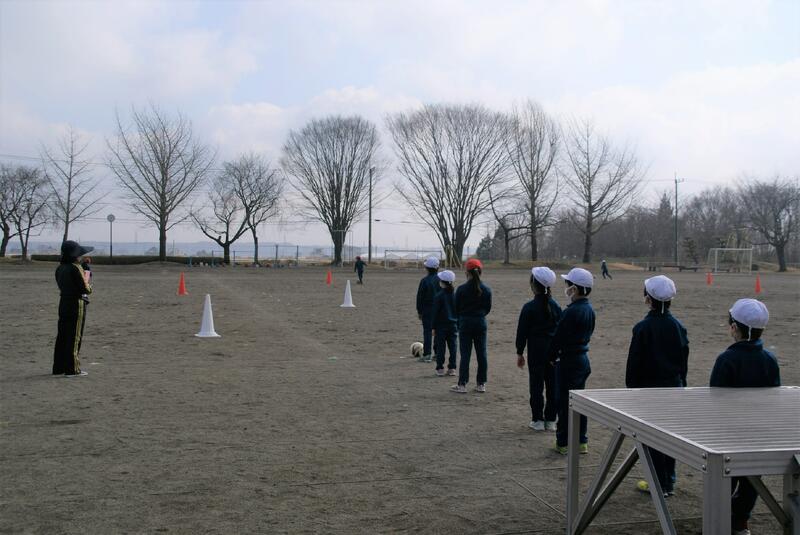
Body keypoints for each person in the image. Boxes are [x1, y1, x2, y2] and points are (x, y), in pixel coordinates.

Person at [710, 298, 780, 535]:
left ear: (734, 327)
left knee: (722, 479)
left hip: (729, 432)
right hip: (758, 431)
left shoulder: (726, 359)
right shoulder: (769, 359)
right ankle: (740, 521)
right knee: (751, 479)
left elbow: (715, 398)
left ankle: (718, 521)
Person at [625, 275, 689, 497]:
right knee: (669, 436)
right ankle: (668, 480)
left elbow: (634, 363)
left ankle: (658, 482)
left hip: (649, 392)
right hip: (673, 389)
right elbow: (683, 362)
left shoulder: (643, 328)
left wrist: (631, 389)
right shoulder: (678, 327)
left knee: (652, 439)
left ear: (648, 299)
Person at [549, 267, 595, 454]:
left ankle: (563, 442)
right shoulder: (589, 309)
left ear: (574, 289)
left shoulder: (570, 312)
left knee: (564, 403)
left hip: (568, 361)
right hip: (582, 359)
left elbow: (558, 338)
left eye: (568, 284)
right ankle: (581, 440)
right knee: (580, 402)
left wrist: (551, 356)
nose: (566, 287)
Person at [515, 267, 562, 431]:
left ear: (533, 285)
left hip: (536, 351)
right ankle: (551, 419)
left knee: (536, 386)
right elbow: (561, 331)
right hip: (553, 352)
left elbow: (522, 332)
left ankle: (537, 420)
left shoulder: (529, 307)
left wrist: (520, 352)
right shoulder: (556, 306)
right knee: (553, 385)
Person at [53, 240, 93, 377]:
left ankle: (58, 367)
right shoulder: (76, 268)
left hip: (64, 301)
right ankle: (72, 369)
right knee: (75, 336)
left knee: (63, 335)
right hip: (76, 303)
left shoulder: (60, 268)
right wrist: (87, 274)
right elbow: (86, 289)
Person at [452, 258, 492, 394]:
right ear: (480, 272)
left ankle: (462, 384)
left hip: (465, 323)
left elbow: (456, 308)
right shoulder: (486, 290)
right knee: (482, 354)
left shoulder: (461, 289)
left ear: (466, 272)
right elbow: (487, 308)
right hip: (480, 322)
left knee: (465, 355)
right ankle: (481, 383)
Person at [430, 270, 458, 377]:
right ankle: (452, 368)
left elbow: (435, 313)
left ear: (442, 282)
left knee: (440, 348)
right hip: (453, 325)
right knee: (453, 347)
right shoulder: (455, 295)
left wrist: (433, 327)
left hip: (441, 326)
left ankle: (440, 368)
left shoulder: (439, 296)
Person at [415, 257, 441, 362]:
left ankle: (427, 354)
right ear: (438, 268)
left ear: (426, 268)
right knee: (438, 332)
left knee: (427, 332)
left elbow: (420, 297)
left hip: (427, 310)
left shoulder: (424, 281)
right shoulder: (441, 280)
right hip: (440, 310)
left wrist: (419, 311)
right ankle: (437, 354)